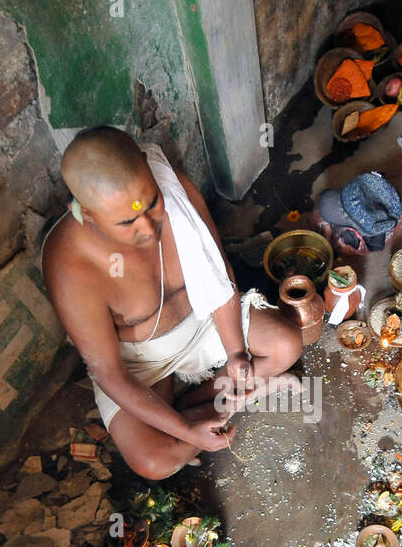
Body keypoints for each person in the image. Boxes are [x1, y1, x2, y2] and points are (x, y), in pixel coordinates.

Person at [41, 126, 303, 480]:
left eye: (151, 204)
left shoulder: (171, 184)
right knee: (156, 462)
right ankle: (213, 406)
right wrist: (185, 433)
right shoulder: (69, 263)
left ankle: (201, 404)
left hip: (203, 320)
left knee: (286, 345)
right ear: (88, 214)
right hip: (144, 362)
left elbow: (216, 271)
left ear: (150, 175)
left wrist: (236, 352)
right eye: (127, 222)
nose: (149, 228)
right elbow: (109, 373)